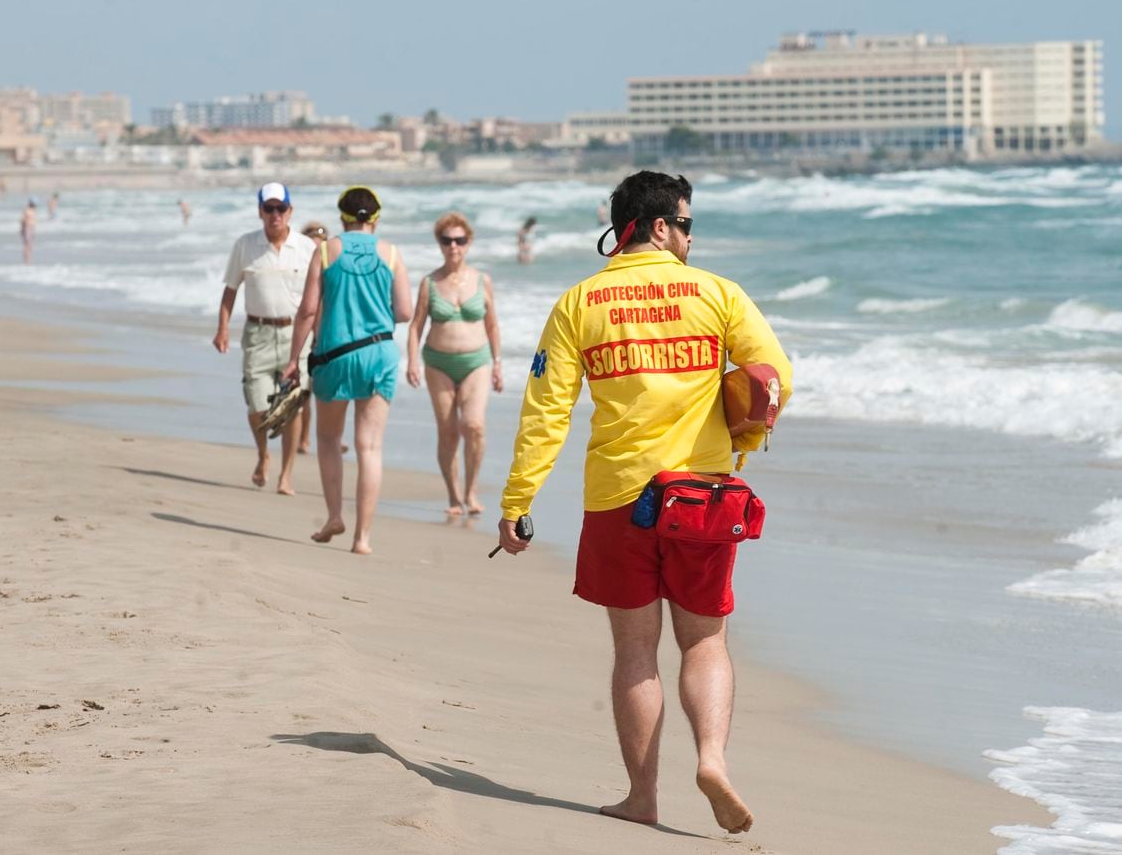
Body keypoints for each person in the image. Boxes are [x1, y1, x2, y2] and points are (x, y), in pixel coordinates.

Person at [495, 171, 792, 835]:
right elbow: (774, 379)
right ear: (659, 225)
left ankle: (641, 795)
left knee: (635, 652)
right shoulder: (718, 294)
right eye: (686, 225)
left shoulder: (580, 302)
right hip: (704, 497)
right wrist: (741, 438)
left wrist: (519, 500)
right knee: (706, 641)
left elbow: (547, 409)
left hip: (617, 499)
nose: (689, 237)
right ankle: (711, 757)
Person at [283, 187, 412, 554]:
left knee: (328, 440)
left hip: (335, 355)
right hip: (379, 353)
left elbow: (308, 310)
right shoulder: (391, 254)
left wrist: (293, 359)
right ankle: (363, 538)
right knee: (369, 446)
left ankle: (335, 516)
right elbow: (404, 312)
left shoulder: (325, 251)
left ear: (342, 218)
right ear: (375, 219)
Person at [212, 182, 315, 494]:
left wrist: (321, 334)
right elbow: (230, 289)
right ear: (260, 211)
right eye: (268, 209)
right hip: (257, 333)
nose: (275, 215)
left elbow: (318, 296)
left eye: (280, 208)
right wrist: (223, 328)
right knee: (258, 406)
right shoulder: (245, 245)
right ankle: (263, 454)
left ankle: (286, 475)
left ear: (290, 211)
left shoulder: (307, 248)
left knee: (292, 404)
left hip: (295, 335)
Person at [406, 212, 503, 515]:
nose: (453, 246)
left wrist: (498, 364)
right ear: (440, 244)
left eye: (459, 240)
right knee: (448, 430)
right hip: (438, 363)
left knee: (473, 425)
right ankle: (453, 496)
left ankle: (471, 492)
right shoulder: (429, 282)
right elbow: (415, 327)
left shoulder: (481, 280)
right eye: (447, 241)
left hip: (477, 361)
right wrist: (411, 362)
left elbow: (493, 326)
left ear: (468, 242)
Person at [297, 220, 332, 456]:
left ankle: (326, 436)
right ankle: (305, 438)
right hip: (301, 336)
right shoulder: (298, 267)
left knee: (323, 393)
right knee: (304, 394)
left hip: (325, 337)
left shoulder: (332, 267)